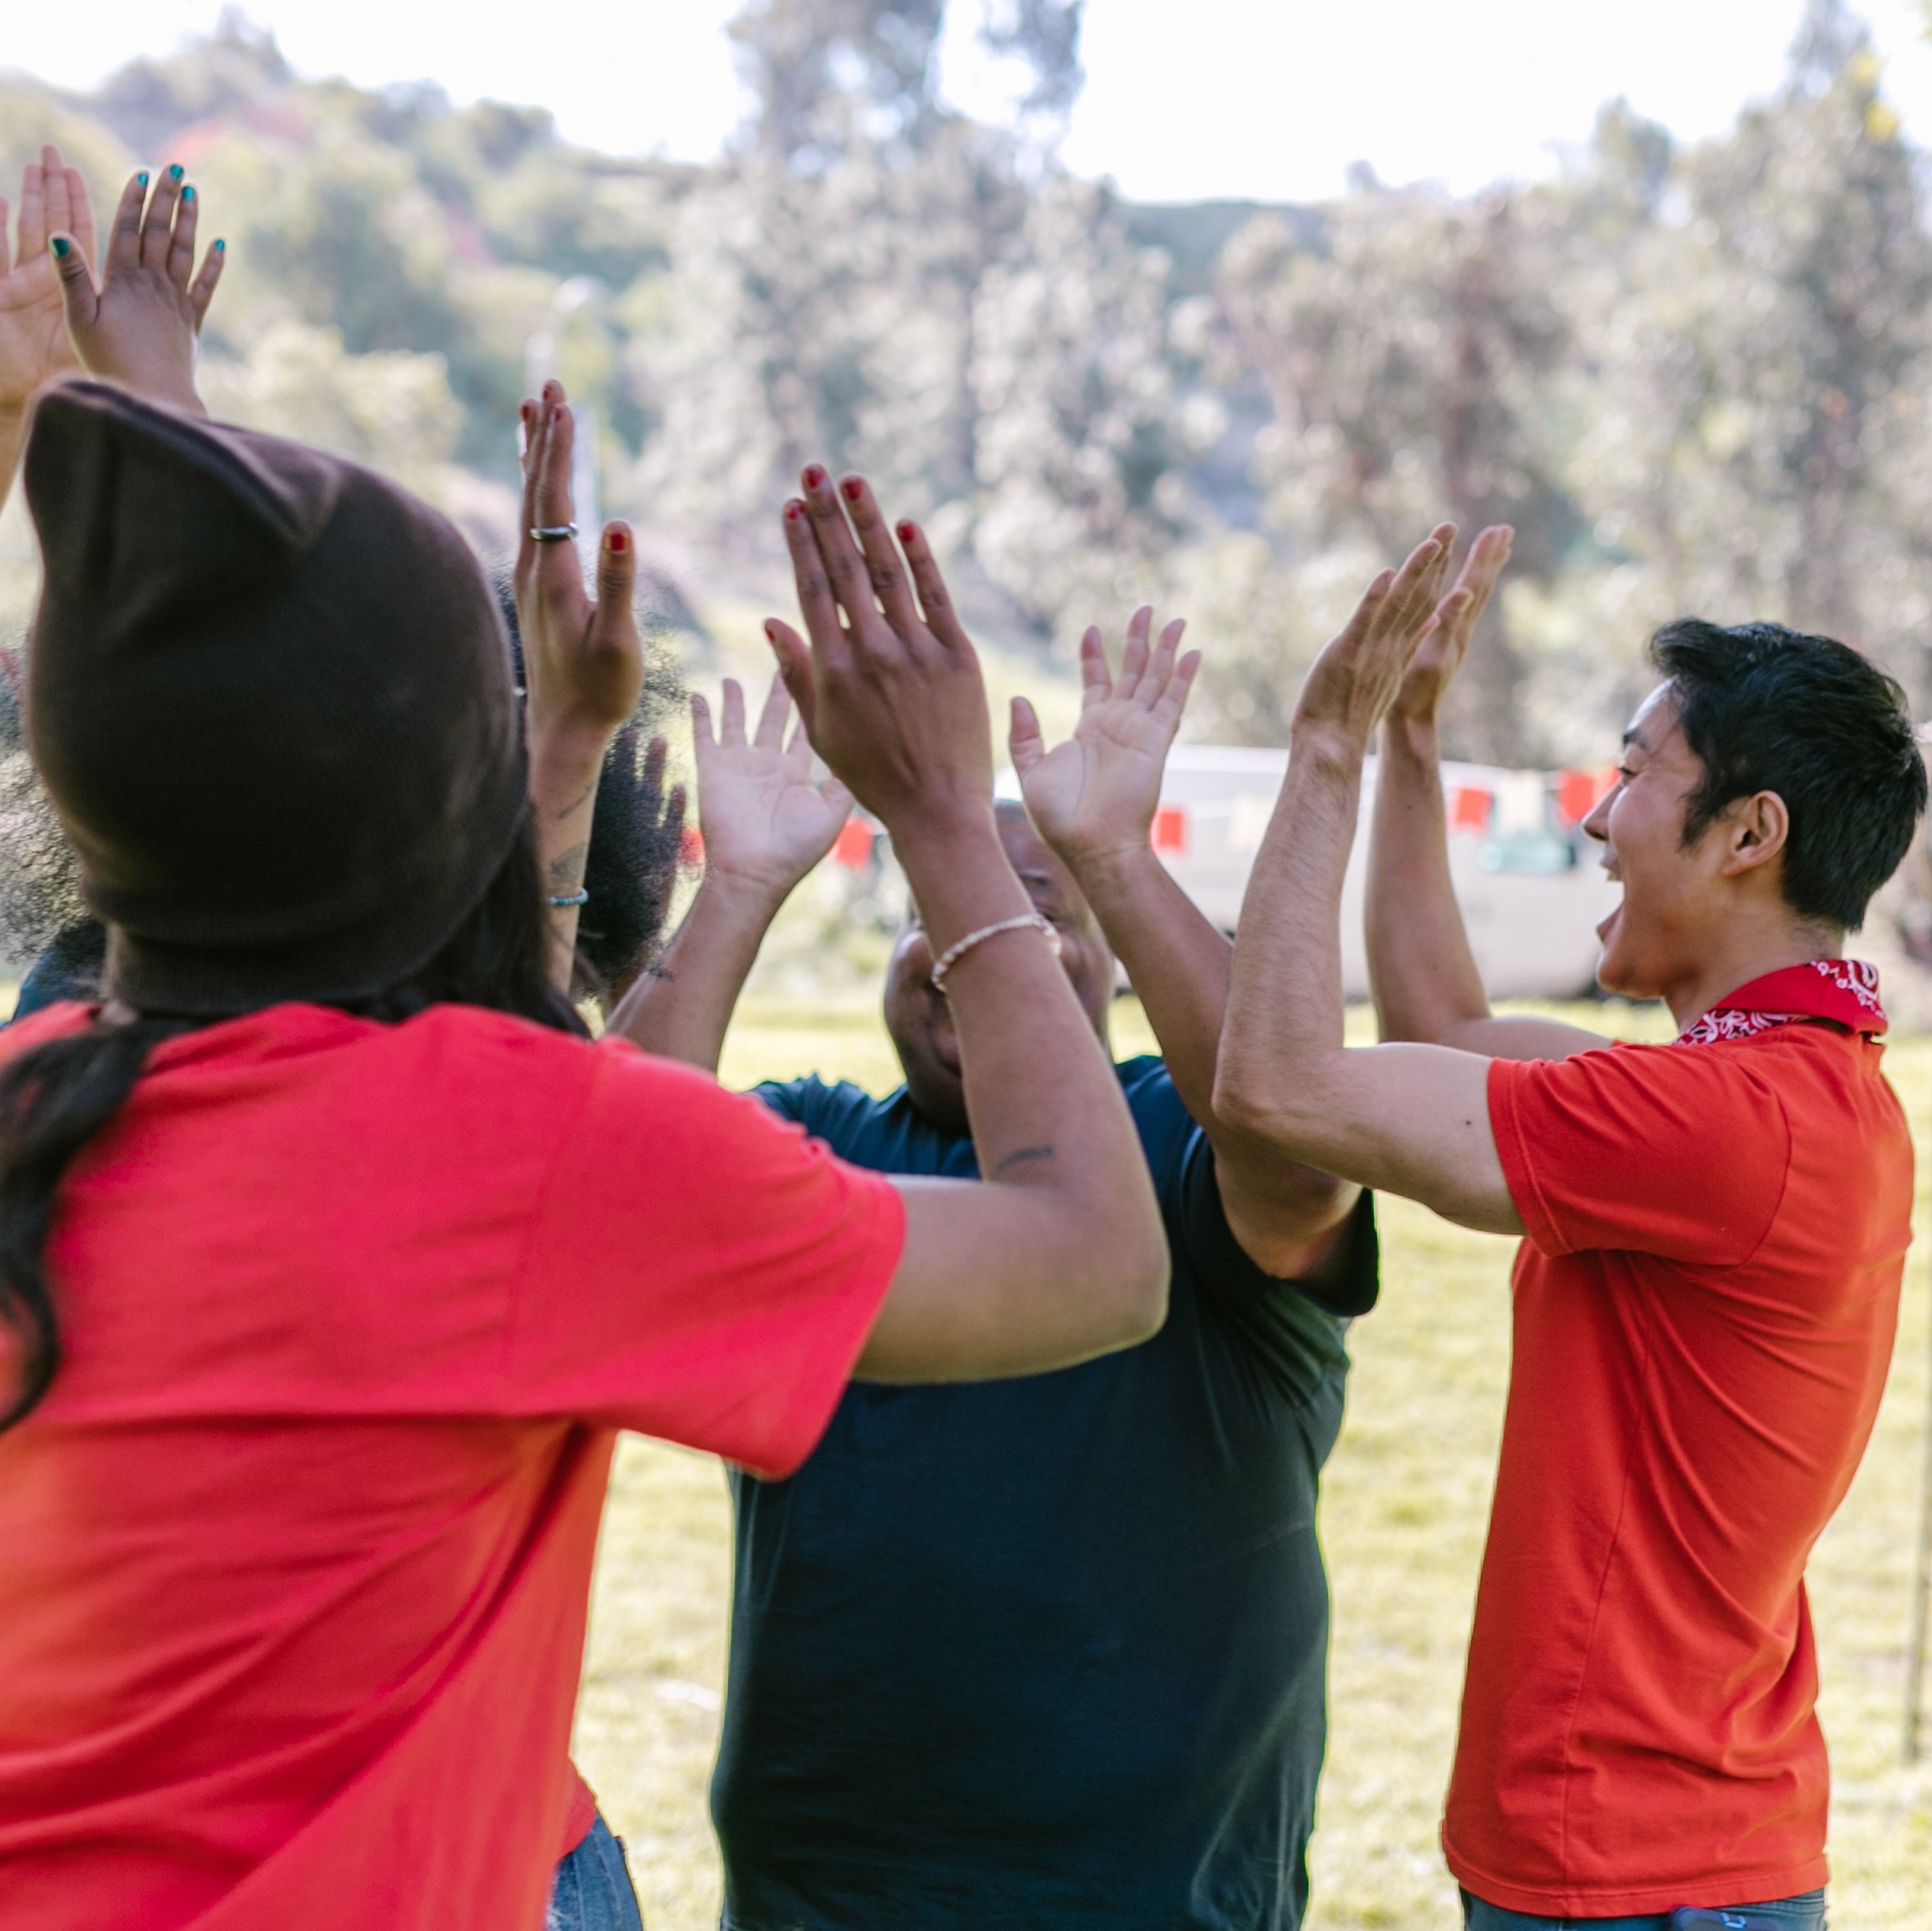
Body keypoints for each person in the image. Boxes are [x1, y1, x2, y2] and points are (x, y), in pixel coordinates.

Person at [0, 167, 1169, 1931]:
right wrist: (939, 813)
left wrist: (106, 409)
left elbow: (211, 725)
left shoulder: (39, 1103)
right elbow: (1091, 1254)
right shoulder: (514, 1157)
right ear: (448, 804)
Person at [612, 594, 1375, 1929]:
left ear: (1104, 962)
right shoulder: (814, 1139)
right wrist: (733, 886)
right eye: (940, 911)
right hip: (822, 1898)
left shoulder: (1179, 1142)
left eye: (1035, 918)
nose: (974, 954)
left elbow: (1301, 1159)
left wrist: (1115, 859)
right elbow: (596, 1199)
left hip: (1146, 1900)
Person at [1210, 524, 1926, 1931]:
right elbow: (1445, 1032)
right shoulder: (1776, 1091)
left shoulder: (1727, 1124)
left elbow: (1281, 1086)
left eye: (1635, 774)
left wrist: (1326, 754)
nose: (1598, 821)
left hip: (1639, 1870)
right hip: (1675, 1850)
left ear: (1748, 833)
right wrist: (1413, 742)